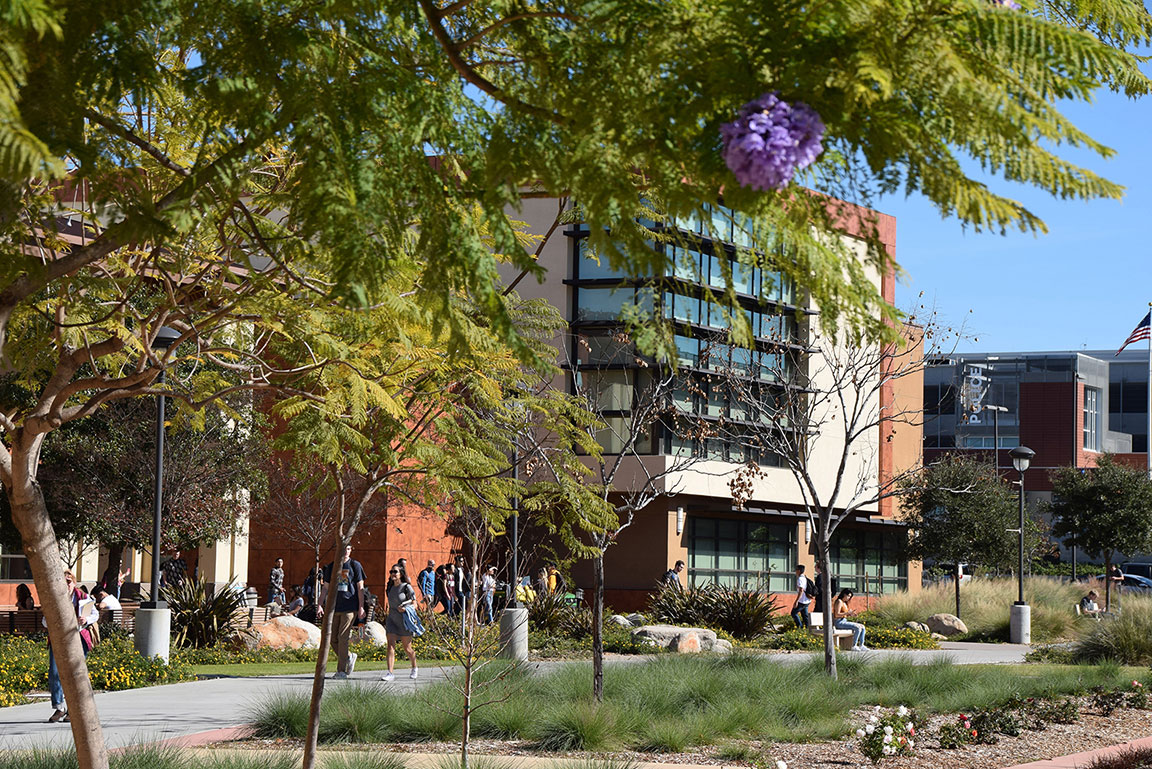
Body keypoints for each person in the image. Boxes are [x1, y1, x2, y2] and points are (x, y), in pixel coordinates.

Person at [46, 570, 99, 723]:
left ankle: (73, 709)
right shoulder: (54, 599)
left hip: (79, 638)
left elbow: (94, 614)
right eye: (63, 582)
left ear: (74, 583)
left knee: (76, 674)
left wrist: (86, 619)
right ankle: (59, 707)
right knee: (55, 672)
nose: (67, 585)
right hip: (58, 639)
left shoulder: (83, 598)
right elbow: (45, 620)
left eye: (69, 581)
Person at [318, 544, 366, 679]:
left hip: (350, 606)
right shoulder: (331, 566)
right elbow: (325, 588)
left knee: (343, 638)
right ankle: (349, 657)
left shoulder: (355, 565)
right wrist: (320, 605)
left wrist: (361, 607)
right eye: (344, 548)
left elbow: (360, 588)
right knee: (333, 639)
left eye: (349, 549)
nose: (346, 551)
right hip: (334, 607)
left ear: (351, 550)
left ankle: (341, 671)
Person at [381, 566, 420, 681]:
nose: (393, 574)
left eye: (395, 572)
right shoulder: (390, 587)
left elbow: (415, 604)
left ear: (401, 574)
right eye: (391, 572)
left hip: (404, 620)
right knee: (390, 646)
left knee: (407, 648)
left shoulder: (406, 587)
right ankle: (390, 673)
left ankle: (414, 667)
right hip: (392, 619)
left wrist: (405, 608)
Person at [790, 565, 812, 629]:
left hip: (802, 600)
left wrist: (796, 601)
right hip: (807, 600)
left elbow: (801, 590)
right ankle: (807, 629)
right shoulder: (805, 578)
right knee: (805, 615)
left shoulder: (800, 579)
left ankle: (800, 627)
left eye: (796, 570)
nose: (795, 572)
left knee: (793, 613)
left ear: (799, 571)